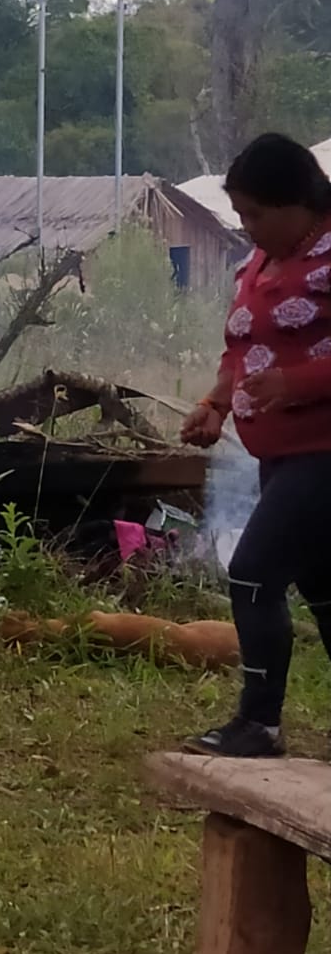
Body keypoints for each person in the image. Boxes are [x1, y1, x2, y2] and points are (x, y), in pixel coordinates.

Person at [181, 132, 331, 757]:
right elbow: (240, 348)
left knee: (253, 572)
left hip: (323, 451)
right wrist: (215, 404)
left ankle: (259, 723)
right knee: (323, 585)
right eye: (241, 213)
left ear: (299, 202)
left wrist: (297, 382)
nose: (247, 227)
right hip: (279, 454)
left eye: (257, 214)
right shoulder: (260, 262)